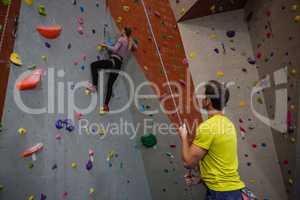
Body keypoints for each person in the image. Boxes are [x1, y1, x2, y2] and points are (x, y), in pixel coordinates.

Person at [178, 80, 245, 200]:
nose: (202, 99)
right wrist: (200, 179)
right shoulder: (229, 125)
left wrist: (183, 137)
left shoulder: (208, 127)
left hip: (221, 194)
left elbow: (188, 163)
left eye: (204, 97)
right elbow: (219, 162)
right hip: (231, 191)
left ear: (208, 100)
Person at [90, 27, 135, 113]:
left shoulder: (122, 39)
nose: (121, 31)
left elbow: (114, 49)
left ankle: (94, 86)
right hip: (118, 66)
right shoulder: (128, 43)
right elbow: (123, 51)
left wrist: (105, 45)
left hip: (113, 62)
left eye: (122, 30)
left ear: (124, 31)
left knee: (94, 65)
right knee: (110, 85)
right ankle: (106, 106)